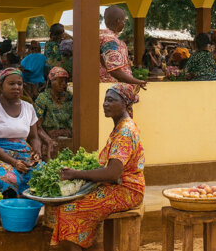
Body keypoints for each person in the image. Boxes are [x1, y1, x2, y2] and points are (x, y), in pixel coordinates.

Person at [49, 83, 145, 250]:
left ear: (125, 104)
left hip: (127, 190)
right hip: (120, 186)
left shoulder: (125, 132)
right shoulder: (121, 126)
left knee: (69, 209)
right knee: (70, 200)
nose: (105, 104)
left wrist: (76, 174)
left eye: (111, 100)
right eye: (105, 100)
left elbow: (113, 173)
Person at [0, 67, 42, 197]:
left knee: (42, 175)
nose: (16, 87)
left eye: (19, 83)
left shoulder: (28, 108)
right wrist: (14, 162)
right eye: (11, 84)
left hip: (24, 154)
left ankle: (29, 212)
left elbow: (34, 137)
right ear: (1, 86)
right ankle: (8, 211)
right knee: (8, 179)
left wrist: (36, 151)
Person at [99, 6, 146, 88]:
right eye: (124, 21)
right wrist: (137, 82)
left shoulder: (104, 37)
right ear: (118, 21)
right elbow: (115, 71)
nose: (124, 24)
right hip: (112, 89)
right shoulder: (109, 41)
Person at [34, 67, 73, 159]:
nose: (63, 84)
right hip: (47, 137)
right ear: (52, 81)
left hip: (67, 137)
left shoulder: (70, 98)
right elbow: (37, 126)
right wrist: (49, 140)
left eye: (65, 82)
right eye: (60, 81)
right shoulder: (43, 98)